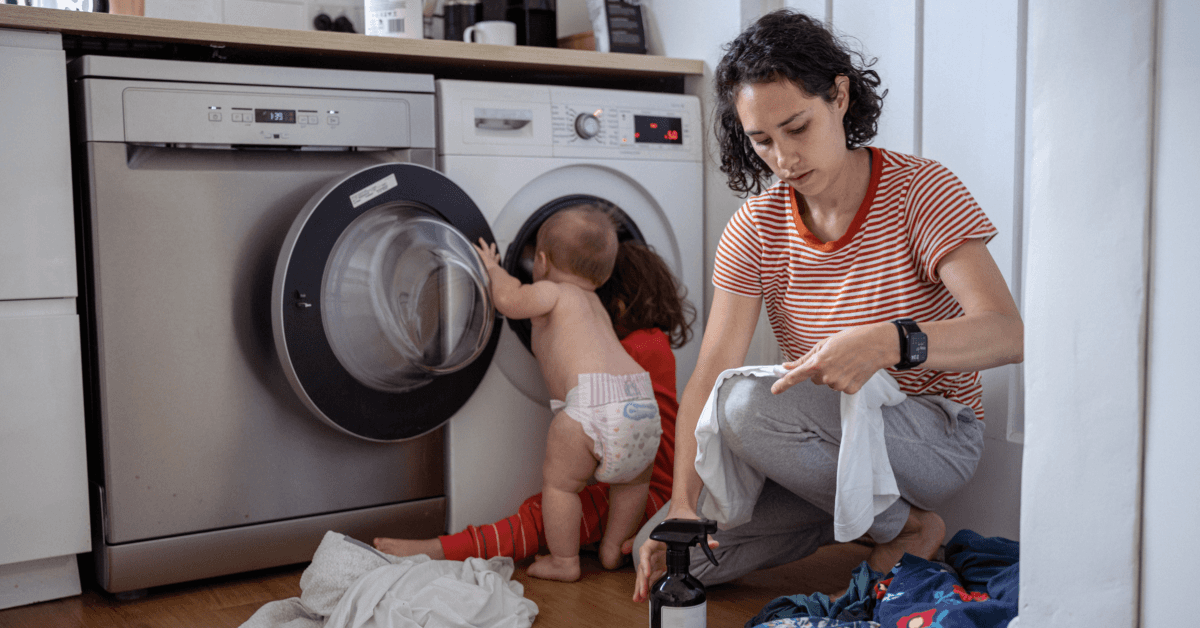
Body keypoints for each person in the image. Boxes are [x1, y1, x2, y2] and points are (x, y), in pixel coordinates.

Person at [632, 10, 1024, 603]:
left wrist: (889, 342)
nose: (784, 158)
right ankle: (874, 519)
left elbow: (1008, 334)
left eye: (797, 127)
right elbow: (708, 372)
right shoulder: (755, 227)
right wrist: (684, 504)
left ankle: (909, 523)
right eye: (762, 140)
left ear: (839, 96)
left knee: (744, 406)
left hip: (933, 434)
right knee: (677, 563)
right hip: (820, 444)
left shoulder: (923, 191)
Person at [374, 239, 695, 571]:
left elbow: (511, 299)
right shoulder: (650, 343)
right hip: (647, 464)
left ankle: (460, 551)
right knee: (610, 493)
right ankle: (611, 551)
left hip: (657, 495)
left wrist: (495, 270)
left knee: (550, 504)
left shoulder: (604, 328)